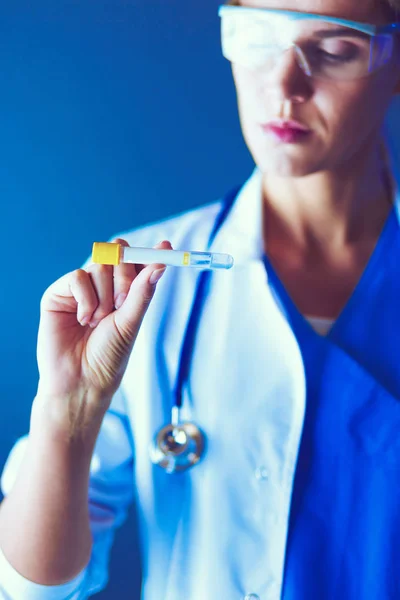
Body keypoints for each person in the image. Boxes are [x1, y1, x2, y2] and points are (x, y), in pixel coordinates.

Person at [1, 0, 400, 598]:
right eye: (258, 37)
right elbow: (33, 590)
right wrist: (67, 416)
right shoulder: (135, 286)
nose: (284, 84)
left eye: (335, 48)